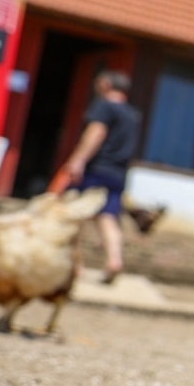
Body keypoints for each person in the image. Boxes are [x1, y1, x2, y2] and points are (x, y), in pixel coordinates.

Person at [61, 70, 140, 282]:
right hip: (118, 172)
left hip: (97, 168)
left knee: (76, 214)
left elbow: (96, 133)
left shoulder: (104, 106)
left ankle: (75, 265)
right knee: (108, 216)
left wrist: (78, 160)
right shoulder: (132, 114)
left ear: (105, 84)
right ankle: (114, 260)